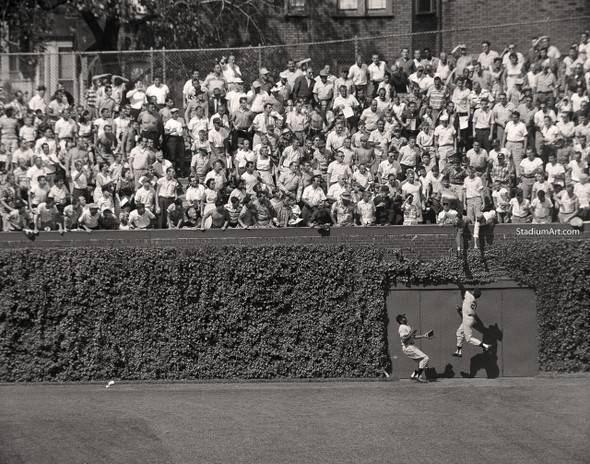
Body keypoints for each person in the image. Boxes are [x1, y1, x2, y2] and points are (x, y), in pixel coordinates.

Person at [453, 284, 491, 358]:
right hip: (469, 319)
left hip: (467, 319)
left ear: (474, 292)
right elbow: (468, 309)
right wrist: (460, 309)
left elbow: (462, 289)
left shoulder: (470, 296)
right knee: (459, 333)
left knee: (469, 338)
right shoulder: (474, 301)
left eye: (473, 290)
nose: (472, 291)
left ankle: (485, 346)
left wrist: (458, 281)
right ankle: (459, 351)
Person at [396, 314, 430, 383]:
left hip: (411, 346)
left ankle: (414, 375)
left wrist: (424, 336)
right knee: (425, 358)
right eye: (403, 318)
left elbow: (413, 337)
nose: (405, 318)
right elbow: (403, 339)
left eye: (404, 316)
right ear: (400, 321)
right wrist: (411, 333)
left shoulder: (407, 326)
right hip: (407, 346)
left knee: (421, 361)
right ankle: (417, 376)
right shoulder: (402, 327)